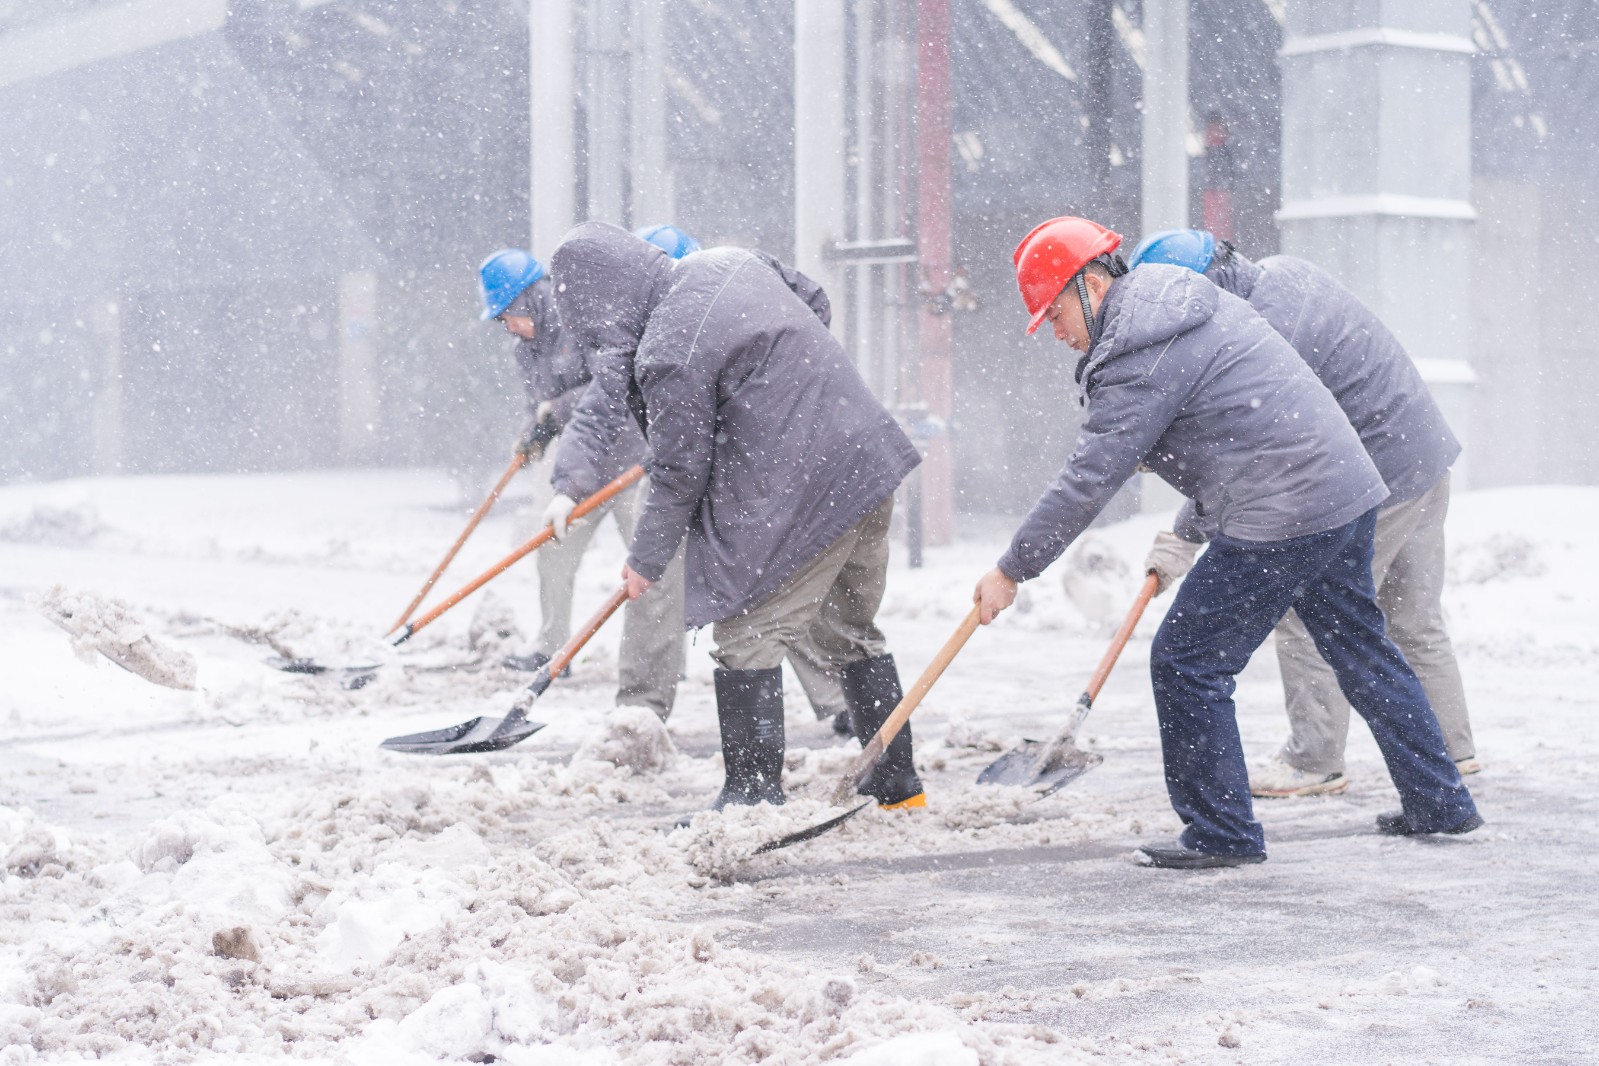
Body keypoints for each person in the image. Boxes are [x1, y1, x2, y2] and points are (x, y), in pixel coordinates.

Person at [972, 216, 1481, 869]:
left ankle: (1221, 832)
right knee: (1359, 646)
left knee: (1186, 664)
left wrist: (1011, 569)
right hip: (1346, 487)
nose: (1054, 332)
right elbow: (1232, 434)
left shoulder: (1136, 350)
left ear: (1093, 286)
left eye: (1054, 313)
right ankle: (1440, 800)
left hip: (1285, 510)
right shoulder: (1179, 303)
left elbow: (1087, 479)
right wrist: (1179, 523)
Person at [548, 221, 925, 813]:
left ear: (605, 303)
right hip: (867, 459)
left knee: (745, 633)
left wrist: (644, 561)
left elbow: (679, 470)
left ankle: (751, 798)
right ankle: (897, 786)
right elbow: (815, 301)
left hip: (810, 485)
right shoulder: (730, 261)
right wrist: (784, 393)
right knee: (845, 630)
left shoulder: (667, 351)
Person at [1128, 229, 1478, 797]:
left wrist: (1182, 538)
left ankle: (1314, 761)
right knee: (1413, 620)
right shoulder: (1284, 273)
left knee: (1317, 615)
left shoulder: (1263, 334)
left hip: (1376, 476)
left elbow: (1248, 455)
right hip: (1425, 456)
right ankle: (1451, 755)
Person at [477, 247, 685, 719]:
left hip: (634, 463)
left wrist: (559, 412)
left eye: (509, 314)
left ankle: (666, 666)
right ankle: (552, 644)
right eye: (501, 320)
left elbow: (610, 385)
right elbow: (540, 405)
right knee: (552, 547)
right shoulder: (523, 348)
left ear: (532, 299)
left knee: (650, 569)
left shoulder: (582, 322)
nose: (508, 326)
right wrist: (531, 432)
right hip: (582, 472)